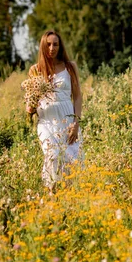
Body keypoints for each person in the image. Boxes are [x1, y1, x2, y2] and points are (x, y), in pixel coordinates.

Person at [26, 30, 83, 190]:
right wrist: (31, 104)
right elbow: (30, 106)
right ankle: (52, 195)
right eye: (48, 44)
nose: (52, 48)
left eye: (55, 44)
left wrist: (76, 124)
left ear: (60, 46)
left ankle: (69, 199)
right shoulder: (35, 70)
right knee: (52, 156)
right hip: (47, 122)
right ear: (43, 46)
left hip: (67, 119)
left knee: (71, 161)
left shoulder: (70, 67)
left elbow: (77, 97)